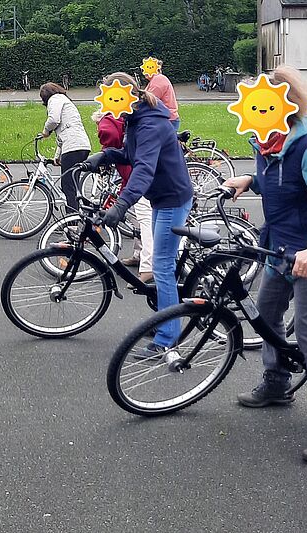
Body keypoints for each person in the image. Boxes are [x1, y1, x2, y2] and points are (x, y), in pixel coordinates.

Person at [223, 65, 307, 466]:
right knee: (267, 314)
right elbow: (279, 181)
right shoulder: (265, 140)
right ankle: (278, 382)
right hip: (280, 249)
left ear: (286, 104)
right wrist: (249, 180)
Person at [79, 72, 194, 358]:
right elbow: (133, 154)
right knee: (162, 262)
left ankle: (168, 338)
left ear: (126, 96)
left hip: (170, 198)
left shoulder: (149, 124)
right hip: (162, 197)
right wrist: (107, 156)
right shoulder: (136, 117)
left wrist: (122, 204)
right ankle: (167, 316)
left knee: (162, 267)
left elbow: (144, 169)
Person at [91, 108, 153, 282]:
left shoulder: (106, 123)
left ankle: (149, 266)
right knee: (137, 218)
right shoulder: (126, 121)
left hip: (138, 178)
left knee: (144, 218)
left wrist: (106, 152)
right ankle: (139, 253)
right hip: (135, 175)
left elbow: (109, 136)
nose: (97, 131)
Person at [39, 82, 92, 212]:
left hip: (73, 146)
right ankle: (77, 214)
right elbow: (63, 132)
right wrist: (57, 155)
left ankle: (72, 221)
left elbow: (53, 120)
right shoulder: (65, 100)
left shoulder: (55, 99)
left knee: (68, 185)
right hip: (80, 144)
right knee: (73, 184)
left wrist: (45, 132)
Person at [142, 59, 180, 131]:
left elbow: (149, 101)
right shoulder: (156, 79)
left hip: (166, 120)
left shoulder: (158, 80)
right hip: (166, 118)